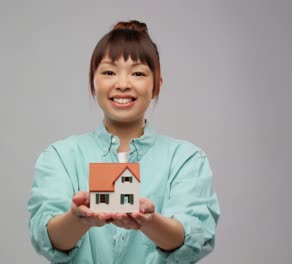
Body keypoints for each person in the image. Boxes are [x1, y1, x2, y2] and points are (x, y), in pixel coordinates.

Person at [27, 20, 220, 263]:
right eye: (109, 72)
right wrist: (78, 219)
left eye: (138, 73)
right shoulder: (60, 156)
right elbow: (47, 239)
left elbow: (193, 239)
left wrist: (149, 222)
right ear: (92, 82)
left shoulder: (187, 159)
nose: (122, 84)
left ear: (157, 86)